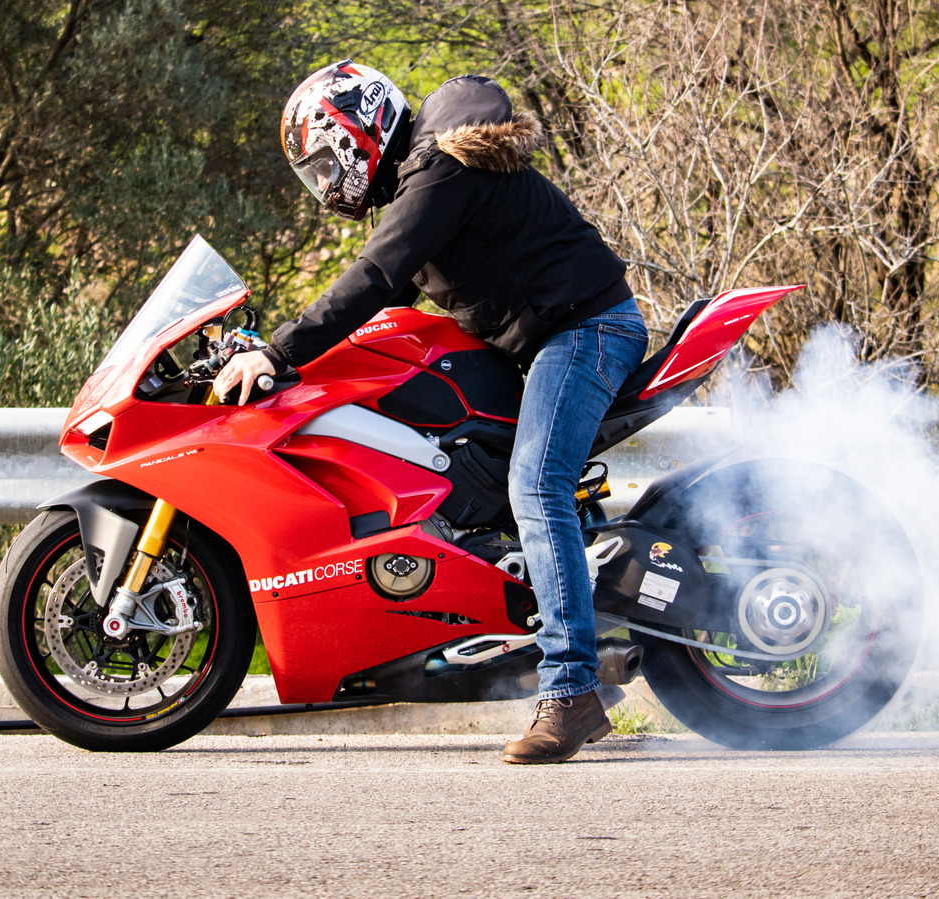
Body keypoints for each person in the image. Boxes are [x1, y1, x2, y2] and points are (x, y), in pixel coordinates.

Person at [214, 60, 648, 764]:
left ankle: (571, 691)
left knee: (537, 487)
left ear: (358, 133)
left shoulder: (440, 170)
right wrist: (285, 358)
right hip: (548, 339)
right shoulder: (426, 178)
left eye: (326, 164)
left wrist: (279, 352)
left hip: (587, 330)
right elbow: (385, 298)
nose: (326, 184)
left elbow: (376, 276)